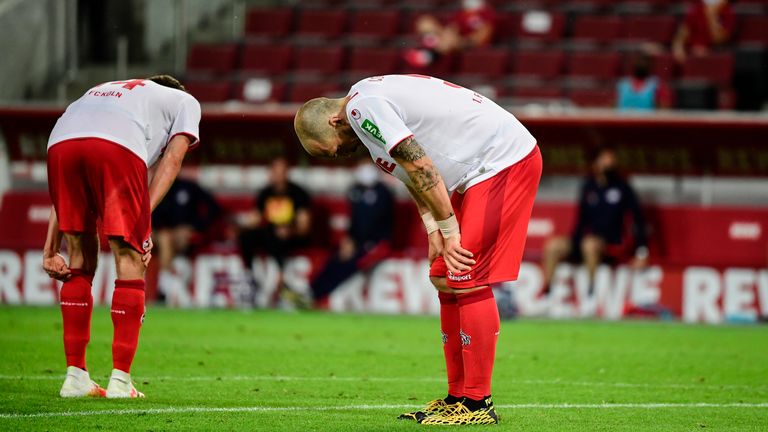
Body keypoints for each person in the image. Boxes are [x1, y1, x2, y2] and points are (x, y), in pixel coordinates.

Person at [294, 74, 542, 425]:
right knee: (444, 276)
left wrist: (450, 229)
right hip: (474, 173)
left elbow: (420, 163)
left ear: (335, 121)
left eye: (332, 148)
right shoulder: (367, 117)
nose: (338, 155)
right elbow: (411, 175)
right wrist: (433, 229)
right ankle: (458, 396)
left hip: (502, 159)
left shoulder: (363, 109)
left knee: (466, 275)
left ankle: (477, 403)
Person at [42, 76, 201, 398]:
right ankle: (120, 380)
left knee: (78, 257)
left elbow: (74, 165)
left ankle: (75, 377)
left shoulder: (103, 90)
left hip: (60, 142)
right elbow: (173, 159)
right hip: (116, 145)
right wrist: (143, 219)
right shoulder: (184, 101)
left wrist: (48, 249)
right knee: (129, 254)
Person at [541, 146, 648, 294]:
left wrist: (641, 252)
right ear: (595, 164)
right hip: (584, 240)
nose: (609, 163)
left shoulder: (622, 187)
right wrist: (574, 241)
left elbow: (637, 219)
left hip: (611, 242)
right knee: (553, 246)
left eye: (611, 160)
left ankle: (591, 291)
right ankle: (548, 290)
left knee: (589, 245)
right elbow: (581, 219)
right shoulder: (588, 186)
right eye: (605, 159)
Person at [311, 159, 395, 301]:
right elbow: (354, 220)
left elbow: (377, 222)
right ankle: (312, 291)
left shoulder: (384, 193)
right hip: (357, 242)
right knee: (335, 260)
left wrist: (358, 244)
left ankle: (318, 296)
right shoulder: (355, 190)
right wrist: (349, 239)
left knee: (348, 264)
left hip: (377, 243)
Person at [238, 157, 312, 304]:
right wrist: (241, 226)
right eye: (275, 172)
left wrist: (290, 231)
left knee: (277, 236)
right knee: (248, 236)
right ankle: (250, 275)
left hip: (291, 235)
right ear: (270, 173)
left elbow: (304, 227)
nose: (278, 176)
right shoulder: (265, 193)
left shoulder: (298, 194)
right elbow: (256, 218)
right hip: (270, 235)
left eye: (282, 172)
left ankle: (281, 279)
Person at [152, 176, 220, 304]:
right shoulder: (157, 186)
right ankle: (164, 287)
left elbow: (214, 208)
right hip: (158, 233)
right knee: (165, 237)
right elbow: (149, 212)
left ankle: (163, 289)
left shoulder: (188, 187)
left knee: (168, 239)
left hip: (182, 237)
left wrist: (194, 227)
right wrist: (165, 229)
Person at [404, 0, 497, 69]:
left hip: (468, 43)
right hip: (454, 40)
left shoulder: (486, 14)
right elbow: (453, 28)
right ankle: (431, 45)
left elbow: (481, 36)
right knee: (425, 21)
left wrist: (466, 42)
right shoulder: (462, 14)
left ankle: (428, 53)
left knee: (449, 40)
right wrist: (445, 34)